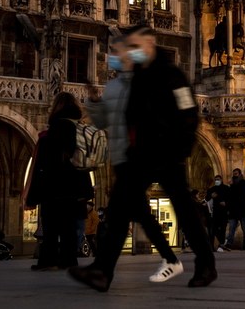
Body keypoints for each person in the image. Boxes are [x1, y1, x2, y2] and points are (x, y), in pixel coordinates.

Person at [69, 26, 216, 291]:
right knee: (118, 209)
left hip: (168, 153)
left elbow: (188, 111)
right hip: (141, 155)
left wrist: (181, 148)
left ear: (149, 44)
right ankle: (102, 271)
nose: (132, 51)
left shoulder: (172, 74)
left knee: (185, 210)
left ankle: (206, 264)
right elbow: (130, 116)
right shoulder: (137, 78)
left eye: (135, 46)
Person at [25, 92, 93, 271]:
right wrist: (86, 192)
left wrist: (33, 196)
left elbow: (40, 168)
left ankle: (48, 260)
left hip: (52, 190)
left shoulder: (48, 136)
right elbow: (85, 166)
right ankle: (69, 260)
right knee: (69, 227)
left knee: (51, 228)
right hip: (73, 190)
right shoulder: (81, 134)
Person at [221, 168, 245, 251]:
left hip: (242, 209)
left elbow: (241, 194)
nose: (234, 175)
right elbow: (230, 197)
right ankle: (229, 244)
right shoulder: (232, 185)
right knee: (231, 228)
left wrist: (232, 186)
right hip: (233, 210)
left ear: (240, 174)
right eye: (234, 174)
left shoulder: (244, 183)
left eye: (236, 174)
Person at [205, 174, 230, 251]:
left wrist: (226, 203)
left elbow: (231, 199)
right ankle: (221, 243)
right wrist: (211, 196)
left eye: (218, 179)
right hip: (215, 212)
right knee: (214, 229)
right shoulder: (212, 189)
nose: (217, 181)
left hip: (224, 212)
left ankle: (221, 244)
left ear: (221, 180)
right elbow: (206, 198)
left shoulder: (226, 188)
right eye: (216, 180)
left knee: (223, 228)